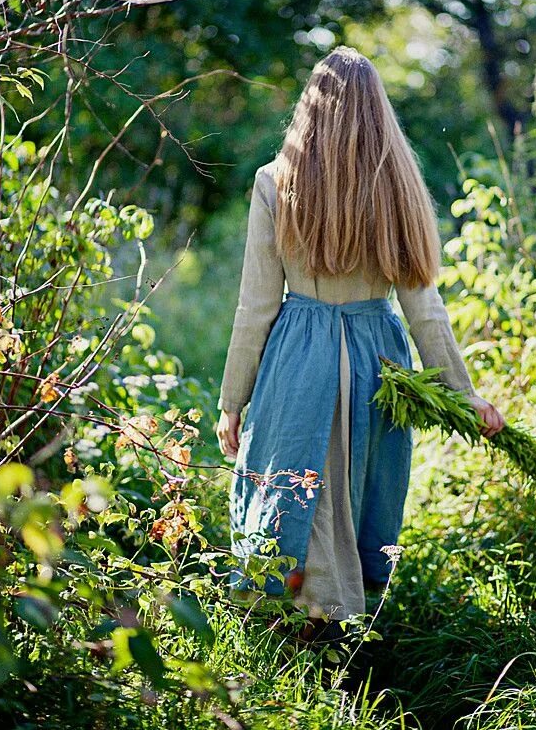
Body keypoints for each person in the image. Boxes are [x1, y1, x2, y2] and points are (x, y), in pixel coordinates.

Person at [216, 46, 504, 629]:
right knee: (359, 493)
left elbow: (256, 306)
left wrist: (232, 399)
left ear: (308, 108)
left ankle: (292, 625)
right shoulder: (398, 184)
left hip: (300, 355)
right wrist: (461, 390)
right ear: (379, 111)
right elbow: (425, 306)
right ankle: (344, 626)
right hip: (379, 359)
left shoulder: (276, 182)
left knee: (294, 488)